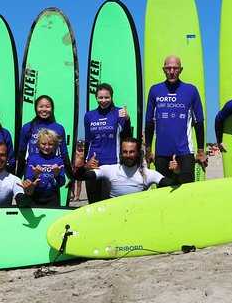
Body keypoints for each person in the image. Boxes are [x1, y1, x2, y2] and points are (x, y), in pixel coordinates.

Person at [144, 55, 207, 184]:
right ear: (163, 69)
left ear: (181, 69)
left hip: (185, 151)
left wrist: (201, 150)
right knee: (164, 194)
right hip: (161, 152)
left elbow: (199, 122)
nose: (172, 71)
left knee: (187, 191)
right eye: (168, 68)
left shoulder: (191, 90)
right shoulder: (155, 90)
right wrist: (148, 150)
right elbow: (150, 122)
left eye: (175, 68)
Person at [74, 137, 174, 198]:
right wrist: (85, 166)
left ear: (138, 153)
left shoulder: (148, 174)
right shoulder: (110, 170)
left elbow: (173, 185)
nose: (128, 155)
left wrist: (176, 172)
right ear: (120, 154)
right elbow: (79, 177)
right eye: (125, 152)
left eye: (131, 152)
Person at [82, 83, 132, 203]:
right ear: (96, 98)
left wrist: (127, 120)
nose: (103, 100)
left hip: (113, 164)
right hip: (94, 165)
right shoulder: (89, 116)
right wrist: (86, 163)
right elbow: (88, 141)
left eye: (106, 97)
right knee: (93, 203)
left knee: (109, 203)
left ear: (111, 97)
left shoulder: (119, 112)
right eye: (100, 97)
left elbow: (127, 137)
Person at [17, 95, 72, 181]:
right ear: (36, 108)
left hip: (51, 175)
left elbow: (64, 155)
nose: (44, 109)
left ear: (52, 109)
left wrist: (71, 177)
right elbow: (21, 154)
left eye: (48, 106)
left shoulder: (58, 128)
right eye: (41, 106)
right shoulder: (27, 127)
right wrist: (17, 177)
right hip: (32, 174)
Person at [24, 128, 65, 206]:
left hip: (52, 196)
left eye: (50, 144)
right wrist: (35, 175)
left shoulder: (58, 160)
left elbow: (62, 183)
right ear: (38, 144)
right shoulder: (32, 159)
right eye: (43, 143)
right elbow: (27, 182)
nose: (46, 147)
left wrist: (57, 175)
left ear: (55, 145)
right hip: (35, 196)